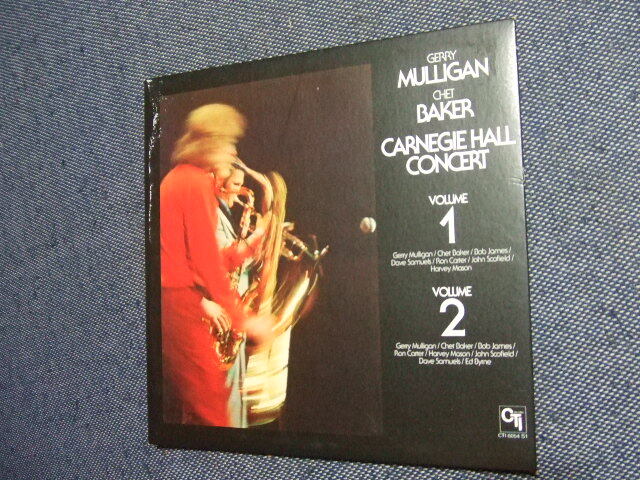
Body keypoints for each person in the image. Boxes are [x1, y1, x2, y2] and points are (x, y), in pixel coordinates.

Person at [160, 104, 272, 427]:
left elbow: (202, 258)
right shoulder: (193, 183)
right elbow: (207, 264)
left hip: (179, 300)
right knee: (211, 410)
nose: (232, 151)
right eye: (229, 142)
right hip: (179, 302)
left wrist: (247, 248)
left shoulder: (181, 180)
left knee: (207, 406)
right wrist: (245, 320)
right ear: (209, 143)